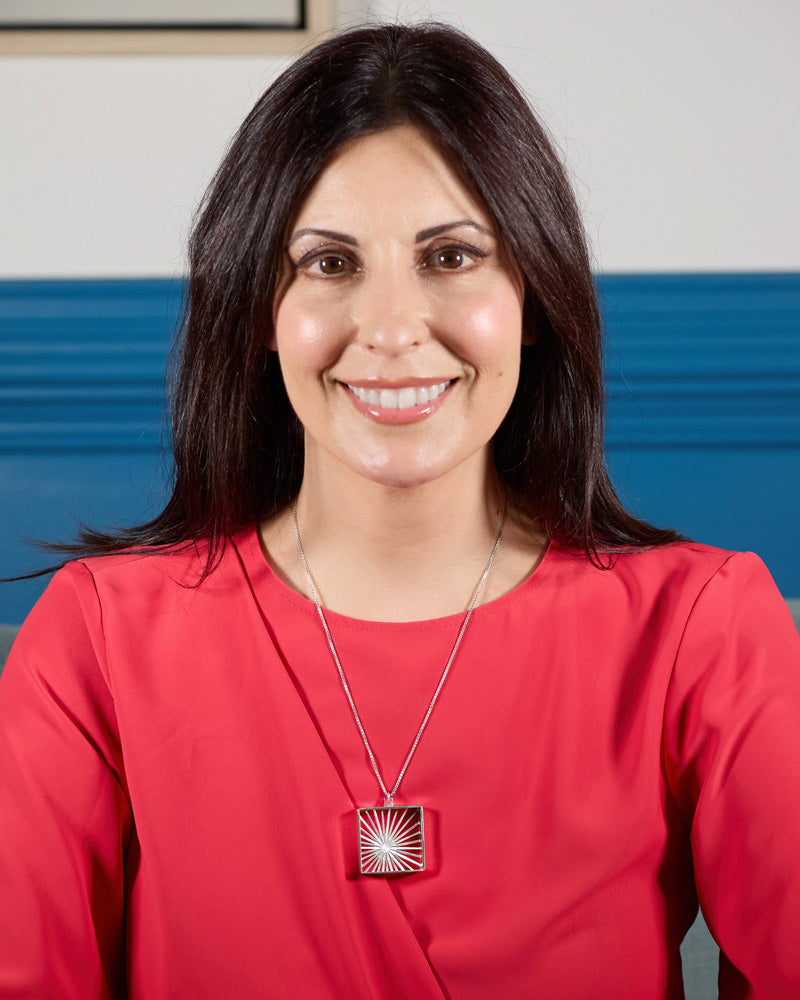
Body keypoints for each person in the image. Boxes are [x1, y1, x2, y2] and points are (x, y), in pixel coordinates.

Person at [1, 21, 799, 1000]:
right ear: (260, 307)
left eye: (451, 256)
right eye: (328, 264)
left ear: (532, 293)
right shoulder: (95, 643)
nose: (388, 330)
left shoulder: (699, 628)